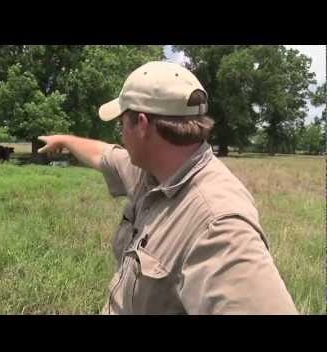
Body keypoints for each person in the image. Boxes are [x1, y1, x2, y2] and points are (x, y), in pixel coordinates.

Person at [38, 61, 298, 315]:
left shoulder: (218, 226)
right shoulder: (151, 170)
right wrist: (64, 140)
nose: (119, 134)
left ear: (141, 124)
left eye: (121, 123)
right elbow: (104, 154)